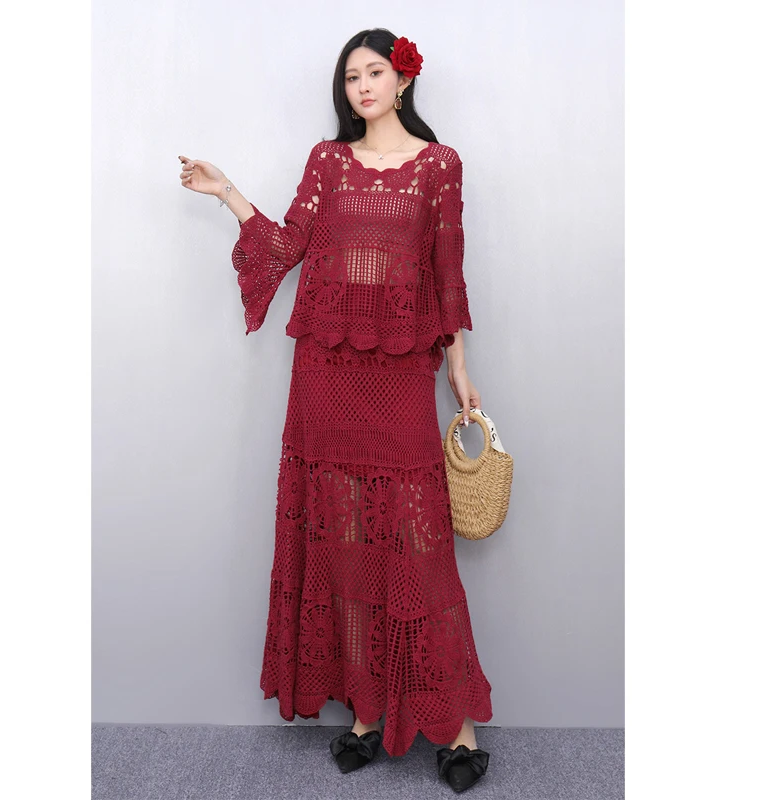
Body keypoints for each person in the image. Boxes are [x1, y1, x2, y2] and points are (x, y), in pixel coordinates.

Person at [178, 27, 493, 794]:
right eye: (351, 76)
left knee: (417, 547)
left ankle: (456, 725)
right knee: (344, 542)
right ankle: (364, 709)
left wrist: (458, 365)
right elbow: (288, 245)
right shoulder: (327, 161)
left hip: (400, 375)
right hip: (326, 375)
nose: (362, 86)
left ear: (402, 79)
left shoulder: (440, 166)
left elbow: (447, 273)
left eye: (374, 72)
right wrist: (228, 193)